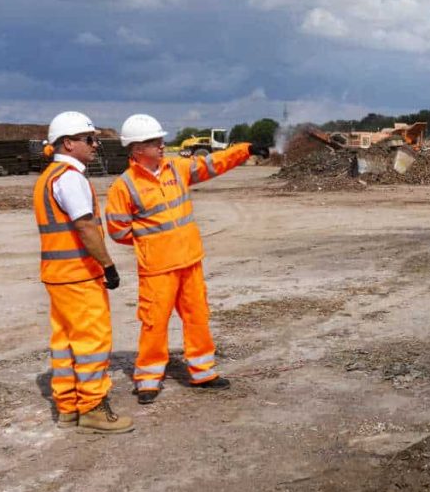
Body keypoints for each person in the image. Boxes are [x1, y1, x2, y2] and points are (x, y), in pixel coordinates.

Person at [105, 115, 268, 404]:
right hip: (158, 268)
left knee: (197, 317)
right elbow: (118, 230)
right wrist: (152, 242)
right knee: (154, 323)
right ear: (137, 148)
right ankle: (148, 380)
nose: (161, 144)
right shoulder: (124, 186)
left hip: (190, 261)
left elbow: (213, 163)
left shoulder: (176, 168)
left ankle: (203, 372)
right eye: (155, 141)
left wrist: (245, 149)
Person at [34, 111, 133, 434]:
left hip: (58, 274)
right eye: (89, 139)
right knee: (91, 341)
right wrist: (108, 264)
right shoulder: (70, 178)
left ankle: (68, 407)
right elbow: (85, 226)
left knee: (64, 342)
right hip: (79, 275)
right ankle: (92, 407)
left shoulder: (49, 177)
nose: (95, 145)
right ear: (68, 143)